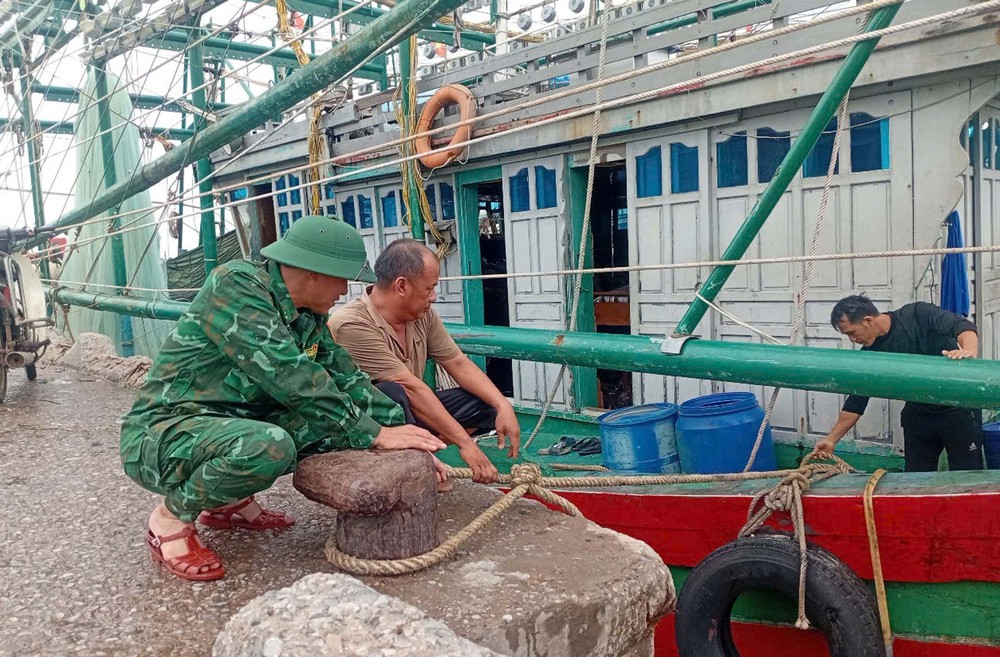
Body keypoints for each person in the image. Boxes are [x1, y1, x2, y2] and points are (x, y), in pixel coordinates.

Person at [120, 216, 446, 582]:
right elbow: (290, 376)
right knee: (270, 446)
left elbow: (346, 378)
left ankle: (225, 502)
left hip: (222, 428)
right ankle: (170, 517)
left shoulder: (307, 315)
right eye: (342, 278)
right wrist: (377, 435)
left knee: (330, 428)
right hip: (164, 434)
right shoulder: (237, 286)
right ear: (314, 272)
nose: (346, 289)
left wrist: (407, 438)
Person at [329, 239, 521, 484]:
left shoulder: (422, 315)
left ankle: (425, 453)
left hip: (411, 409)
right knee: (392, 391)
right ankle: (415, 462)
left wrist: (503, 405)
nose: (434, 297)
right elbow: (409, 386)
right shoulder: (351, 323)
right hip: (371, 423)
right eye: (428, 289)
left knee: (486, 403)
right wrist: (465, 444)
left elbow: (458, 363)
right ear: (401, 286)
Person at [815, 294, 983, 472]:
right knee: (916, 480)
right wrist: (831, 439)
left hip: (958, 412)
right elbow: (856, 402)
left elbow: (963, 327)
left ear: (868, 320)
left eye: (851, 333)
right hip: (919, 415)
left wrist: (967, 352)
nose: (852, 340)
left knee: (968, 475)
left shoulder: (919, 314)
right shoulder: (870, 355)